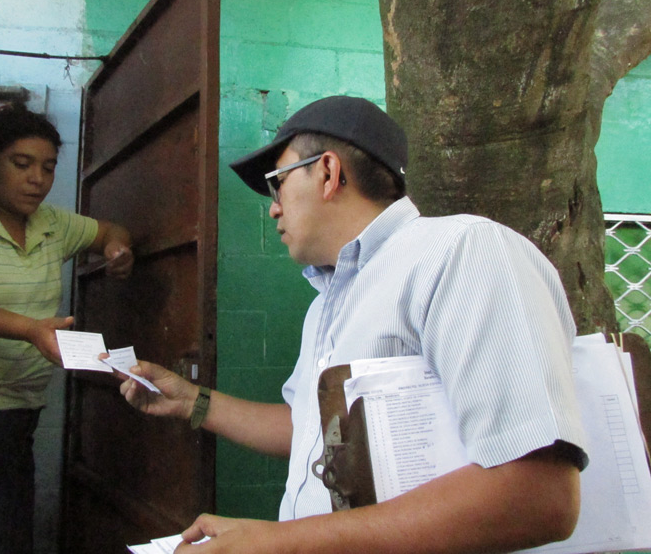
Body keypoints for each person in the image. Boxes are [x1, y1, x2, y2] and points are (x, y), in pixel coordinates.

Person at [117, 95, 587, 553]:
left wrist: (280, 543)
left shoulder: (460, 253)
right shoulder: (327, 302)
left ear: (327, 172)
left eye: (276, 185)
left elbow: (538, 495)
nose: (273, 208)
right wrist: (192, 402)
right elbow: (314, 429)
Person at [0, 104, 134, 554]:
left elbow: (114, 229)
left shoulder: (51, 223)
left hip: (21, 409)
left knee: (11, 533)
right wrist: (30, 330)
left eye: (48, 168)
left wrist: (116, 249)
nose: (38, 179)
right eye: (21, 164)